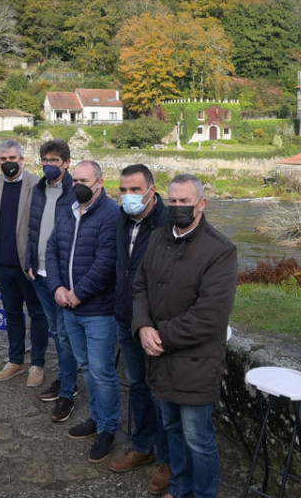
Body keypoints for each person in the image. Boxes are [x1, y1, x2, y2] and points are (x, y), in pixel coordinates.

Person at [132, 174, 238, 498]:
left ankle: (204, 494)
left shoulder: (221, 251)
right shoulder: (159, 238)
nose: (178, 207)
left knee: (198, 439)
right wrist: (142, 327)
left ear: (201, 204)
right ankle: (179, 489)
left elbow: (211, 315)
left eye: (185, 202)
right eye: (173, 201)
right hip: (160, 360)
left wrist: (159, 336)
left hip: (195, 362)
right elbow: (139, 287)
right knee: (173, 431)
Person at [45, 160, 119, 463]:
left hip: (98, 310)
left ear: (99, 183)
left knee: (102, 372)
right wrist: (57, 288)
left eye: (84, 180)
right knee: (86, 368)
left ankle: (108, 429)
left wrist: (78, 293)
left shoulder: (111, 214)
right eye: (74, 179)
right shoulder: (67, 209)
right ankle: (97, 418)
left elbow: (106, 263)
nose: (77, 184)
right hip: (68, 307)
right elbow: (52, 250)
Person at [108, 164, 172, 495]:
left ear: (151, 189)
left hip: (156, 327)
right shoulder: (122, 219)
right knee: (136, 387)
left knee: (161, 393)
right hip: (125, 318)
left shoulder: (167, 223)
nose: (129, 196)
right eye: (123, 190)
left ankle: (166, 460)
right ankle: (142, 446)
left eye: (135, 190)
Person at [25, 139, 79, 421]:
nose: (48, 165)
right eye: (44, 160)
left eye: (54, 160)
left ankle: (68, 391)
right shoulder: (38, 189)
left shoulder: (76, 191)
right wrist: (29, 261)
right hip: (40, 274)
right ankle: (66, 379)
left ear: (66, 163)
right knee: (58, 334)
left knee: (66, 335)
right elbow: (32, 229)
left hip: (63, 277)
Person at [0, 140, 48, 386]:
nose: (8, 163)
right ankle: (15, 360)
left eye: (12, 158)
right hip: (3, 263)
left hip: (29, 264)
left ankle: (38, 364)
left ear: (21, 159)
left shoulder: (36, 184)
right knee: (12, 313)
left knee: (37, 313)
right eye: (3, 159)